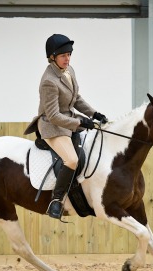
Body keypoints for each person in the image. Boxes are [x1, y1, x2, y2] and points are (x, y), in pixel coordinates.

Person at [24, 34, 108, 219]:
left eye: (69, 54)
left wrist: (93, 114)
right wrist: (80, 122)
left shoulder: (69, 71)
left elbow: (76, 98)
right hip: (52, 126)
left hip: (68, 120)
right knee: (71, 160)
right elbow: (53, 115)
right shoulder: (49, 81)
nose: (67, 59)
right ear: (52, 57)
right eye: (63, 55)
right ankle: (56, 200)